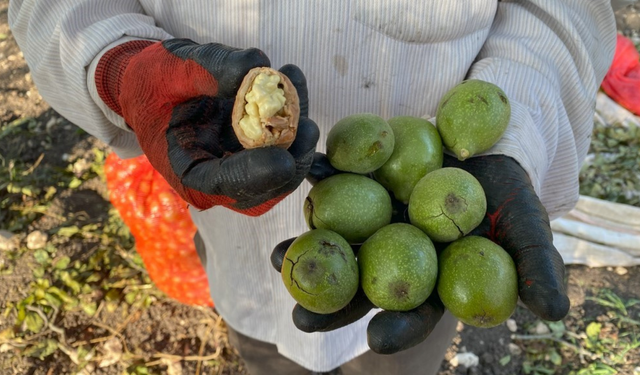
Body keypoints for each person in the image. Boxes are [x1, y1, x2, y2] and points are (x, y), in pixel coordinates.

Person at [8, 1, 617, 374]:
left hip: (435, 211)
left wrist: (514, 139)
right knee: (267, 348)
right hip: (230, 219)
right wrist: (119, 68)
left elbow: (560, 10)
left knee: (399, 358)